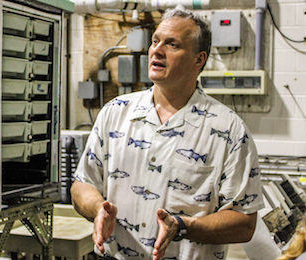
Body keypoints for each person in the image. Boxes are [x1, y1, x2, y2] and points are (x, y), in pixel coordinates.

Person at [71, 8, 264, 260]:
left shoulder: (229, 131)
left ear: (199, 60)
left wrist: (184, 227)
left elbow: (244, 222)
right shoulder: (115, 113)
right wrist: (98, 209)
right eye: (155, 41)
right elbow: (82, 184)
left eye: (172, 44)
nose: (157, 50)